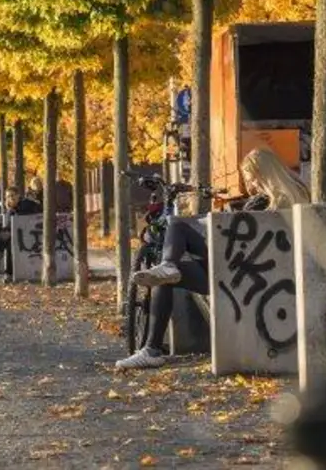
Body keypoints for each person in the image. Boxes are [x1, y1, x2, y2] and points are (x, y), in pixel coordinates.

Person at [115, 148, 310, 370]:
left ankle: (152, 349)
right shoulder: (298, 195)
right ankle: (167, 268)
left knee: (177, 227)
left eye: (250, 180)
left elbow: (235, 241)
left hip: (239, 280)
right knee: (165, 273)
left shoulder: (258, 204)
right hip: (263, 278)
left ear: (261, 175)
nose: (249, 186)